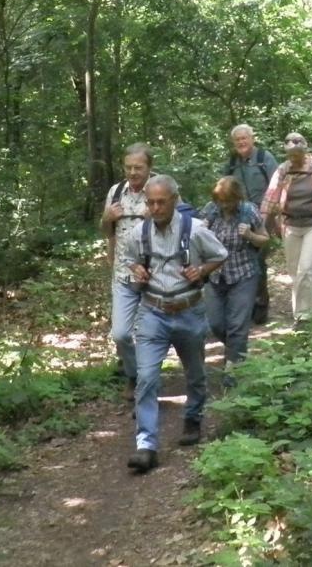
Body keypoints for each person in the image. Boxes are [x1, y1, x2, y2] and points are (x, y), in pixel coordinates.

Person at [122, 175, 228, 472]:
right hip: (152, 312)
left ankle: (192, 419)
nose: (155, 208)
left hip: (189, 310)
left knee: (194, 374)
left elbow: (221, 254)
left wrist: (202, 270)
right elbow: (129, 259)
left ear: (174, 200)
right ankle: (146, 446)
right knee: (146, 378)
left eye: (161, 202)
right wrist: (137, 269)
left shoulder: (195, 230)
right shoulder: (138, 233)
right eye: (150, 202)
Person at [261, 132, 312, 324]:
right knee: (294, 272)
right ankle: (301, 311)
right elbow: (270, 197)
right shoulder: (283, 169)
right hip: (290, 225)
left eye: (297, 155)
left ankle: (304, 316)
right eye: (290, 155)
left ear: (305, 151)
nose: (294, 158)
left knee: (306, 269)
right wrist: (265, 222)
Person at [200, 176, 269, 379]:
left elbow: (265, 239)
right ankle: (236, 351)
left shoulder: (249, 211)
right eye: (220, 200)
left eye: (228, 200)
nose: (224, 205)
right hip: (215, 275)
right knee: (215, 323)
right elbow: (194, 238)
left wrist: (250, 235)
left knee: (238, 325)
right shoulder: (211, 210)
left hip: (243, 274)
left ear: (237, 198)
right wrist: (200, 230)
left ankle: (233, 370)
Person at [100, 143, 154, 400]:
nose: (133, 172)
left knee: (151, 332)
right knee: (121, 334)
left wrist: (154, 216)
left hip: (155, 276)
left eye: (138, 168)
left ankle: (148, 380)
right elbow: (106, 231)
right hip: (123, 273)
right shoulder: (116, 191)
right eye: (128, 167)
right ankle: (134, 375)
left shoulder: (160, 190)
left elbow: (181, 228)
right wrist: (107, 218)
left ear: (149, 168)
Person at [221, 124, 278, 323]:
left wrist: (273, 216)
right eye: (237, 140)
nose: (241, 142)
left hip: (263, 216)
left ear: (252, 139)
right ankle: (242, 307)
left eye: (244, 138)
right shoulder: (231, 162)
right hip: (238, 217)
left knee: (258, 261)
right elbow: (224, 188)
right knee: (240, 260)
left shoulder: (265, 158)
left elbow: (278, 186)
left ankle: (260, 308)